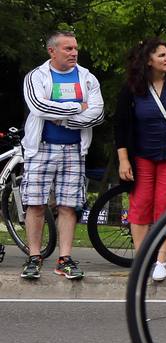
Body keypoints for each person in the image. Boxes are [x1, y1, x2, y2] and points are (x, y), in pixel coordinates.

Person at [20, 30, 105, 280]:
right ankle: (34, 257)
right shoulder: (36, 76)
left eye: (75, 48)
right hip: (40, 148)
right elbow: (38, 106)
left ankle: (64, 259)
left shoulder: (87, 78)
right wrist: (78, 107)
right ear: (52, 51)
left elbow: (98, 114)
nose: (74, 53)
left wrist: (63, 121)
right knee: (35, 204)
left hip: (74, 151)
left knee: (69, 205)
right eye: (68, 49)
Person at [114, 38, 166, 282]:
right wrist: (123, 160)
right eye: (161, 55)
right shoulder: (132, 87)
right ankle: (142, 260)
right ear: (148, 60)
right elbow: (120, 125)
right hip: (140, 157)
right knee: (140, 207)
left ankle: (161, 259)